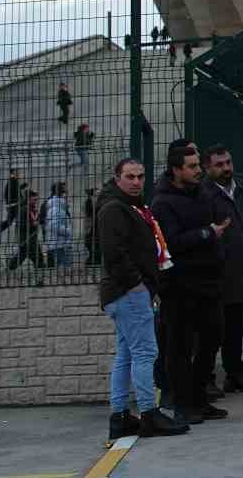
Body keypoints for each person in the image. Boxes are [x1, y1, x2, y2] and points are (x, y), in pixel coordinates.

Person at [97, 158, 188, 439]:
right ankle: (149, 413)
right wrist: (137, 285)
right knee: (145, 353)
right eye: (130, 176)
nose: (136, 181)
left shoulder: (130, 206)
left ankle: (120, 416)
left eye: (140, 176)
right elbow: (114, 253)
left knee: (127, 354)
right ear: (117, 178)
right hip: (128, 293)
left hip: (127, 292)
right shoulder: (115, 208)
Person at [151, 144, 231, 424]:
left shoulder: (201, 194)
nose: (198, 170)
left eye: (198, 165)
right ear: (176, 170)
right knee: (180, 346)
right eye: (192, 166)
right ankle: (183, 404)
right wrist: (207, 234)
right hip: (180, 286)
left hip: (208, 282)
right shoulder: (163, 202)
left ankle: (200, 398)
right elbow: (171, 243)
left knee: (212, 339)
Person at [203, 146, 243, 393]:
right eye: (219, 165)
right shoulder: (204, 194)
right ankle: (207, 379)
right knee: (212, 330)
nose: (226, 168)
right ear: (208, 168)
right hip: (218, 274)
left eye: (228, 162)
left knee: (238, 326)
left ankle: (235, 375)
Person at [45, 182, 74, 268]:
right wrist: (68, 232)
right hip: (60, 244)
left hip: (60, 243)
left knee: (63, 267)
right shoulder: (56, 208)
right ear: (62, 194)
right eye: (65, 192)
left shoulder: (58, 206)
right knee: (66, 267)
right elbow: (55, 226)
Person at [0, 167, 22, 238]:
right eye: (17, 172)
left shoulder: (13, 181)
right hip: (14, 205)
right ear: (13, 173)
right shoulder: (13, 181)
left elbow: (14, 191)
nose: (19, 173)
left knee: (11, 221)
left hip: (13, 205)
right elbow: (13, 193)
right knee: (14, 221)